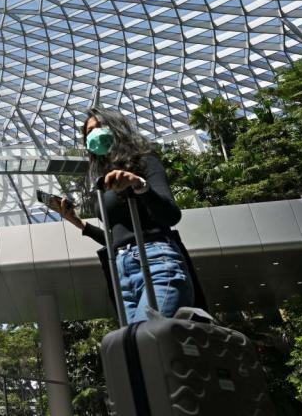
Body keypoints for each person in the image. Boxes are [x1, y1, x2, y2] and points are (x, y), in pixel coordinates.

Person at [52, 107, 204, 324]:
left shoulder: (144, 161)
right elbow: (117, 238)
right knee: (136, 349)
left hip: (156, 260)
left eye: (98, 128)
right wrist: (76, 221)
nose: (93, 134)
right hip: (122, 272)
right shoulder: (102, 181)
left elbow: (170, 215)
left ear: (115, 128)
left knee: (148, 341)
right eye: (88, 133)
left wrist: (138, 184)